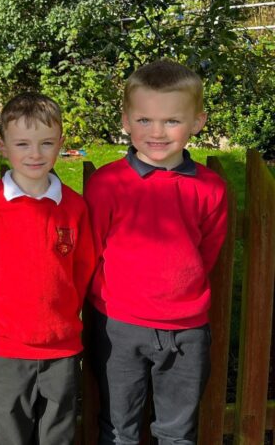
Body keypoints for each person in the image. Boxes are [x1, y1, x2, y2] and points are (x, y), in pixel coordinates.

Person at [84, 59, 229, 445]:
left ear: (197, 122)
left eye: (171, 121)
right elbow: (91, 251)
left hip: (187, 329)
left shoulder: (211, 189)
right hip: (119, 326)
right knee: (118, 431)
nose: (158, 132)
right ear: (126, 121)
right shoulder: (106, 184)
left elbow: (207, 251)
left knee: (178, 433)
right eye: (145, 120)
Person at [0, 92, 97, 445]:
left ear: (60, 143)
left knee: (57, 433)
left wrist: (62, 314)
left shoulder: (73, 207)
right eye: (23, 144)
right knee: (10, 434)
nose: (35, 154)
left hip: (61, 346)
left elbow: (83, 268)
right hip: (6, 347)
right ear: (3, 146)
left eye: (46, 143)